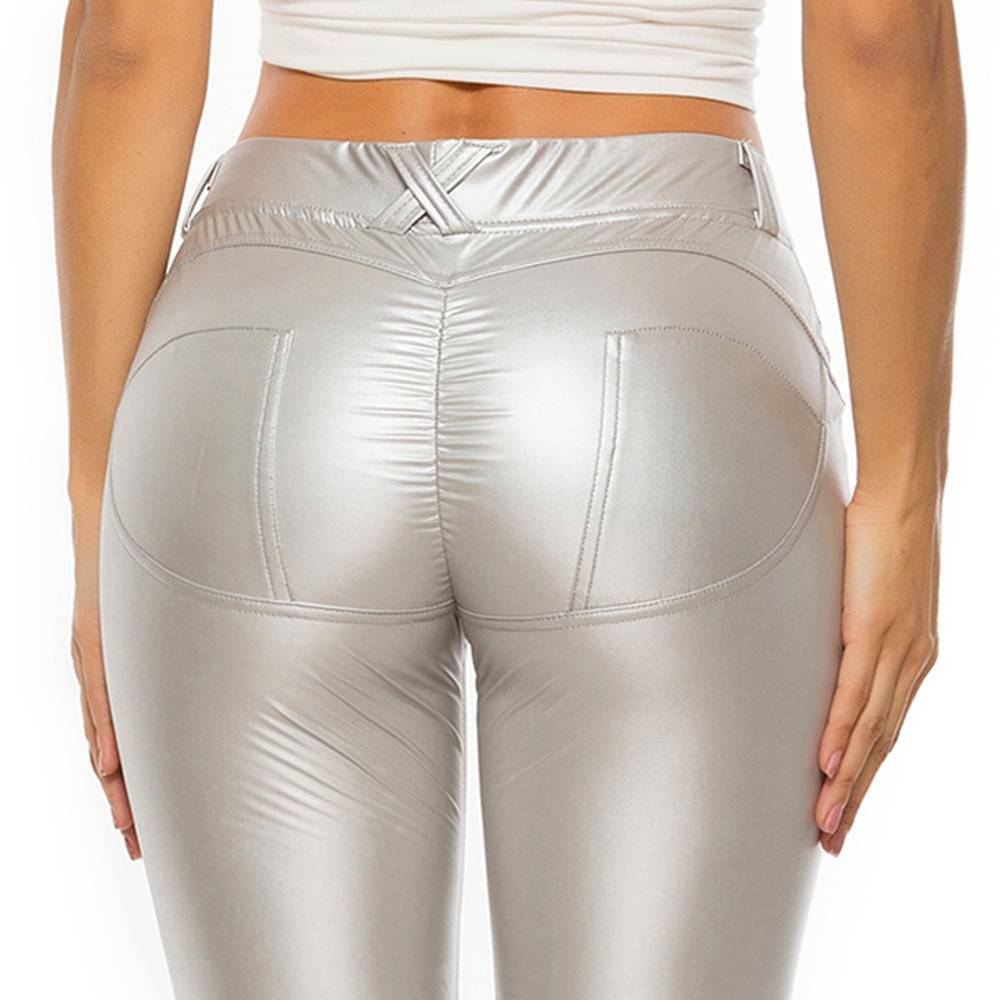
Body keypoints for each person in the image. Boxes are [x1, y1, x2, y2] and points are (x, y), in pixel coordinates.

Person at [52, 1, 965, 997]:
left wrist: (98, 503)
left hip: (271, 352)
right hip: (659, 338)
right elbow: (879, 31)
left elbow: (126, 41)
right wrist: (905, 492)